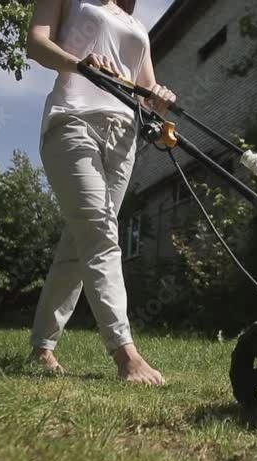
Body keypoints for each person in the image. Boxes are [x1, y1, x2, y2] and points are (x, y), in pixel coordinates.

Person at [26, 0, 175, 386]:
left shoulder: (134, 23)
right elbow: (36, 43)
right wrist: (81, 65)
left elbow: (144, 89)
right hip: (73, 120)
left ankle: (42, 347)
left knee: (78, 247)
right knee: (101, 235)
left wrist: (157, 96)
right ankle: (125, 353)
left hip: (123, 136)